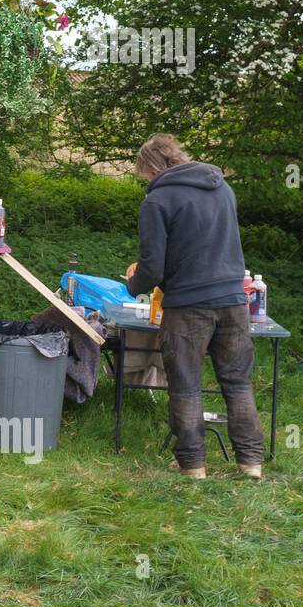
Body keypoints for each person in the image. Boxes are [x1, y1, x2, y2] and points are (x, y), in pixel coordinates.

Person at [125, 133, 264, 480]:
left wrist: (133, 285)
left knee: (185, 385)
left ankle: (192, 466)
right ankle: (251, 464)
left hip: (188, 306)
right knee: (238, 383)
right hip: (234, 299)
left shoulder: (157, 200)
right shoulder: (221, 188)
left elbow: (152, 266)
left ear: (150, 166)